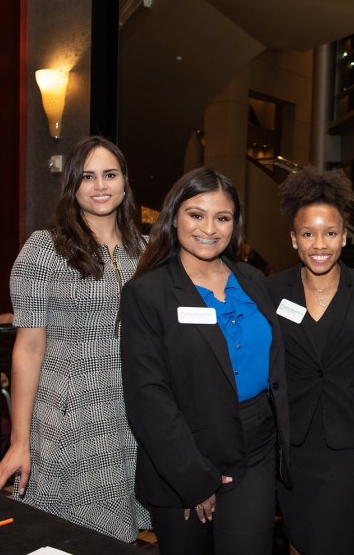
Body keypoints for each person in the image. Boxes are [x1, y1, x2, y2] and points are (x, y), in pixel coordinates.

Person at [0, 136, 150, 541]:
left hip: (130, 406)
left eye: (110, 174)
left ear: (125, 183)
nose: (100, 185)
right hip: (71, 409)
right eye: (87, 176)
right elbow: (29, 347)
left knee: (118, 534)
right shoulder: (45, 249)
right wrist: (20, 440)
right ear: (72, 184)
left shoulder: (144, 250)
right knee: (65, 532)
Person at [119, 167, 291, 555]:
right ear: (174, 217)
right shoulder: (148, 293)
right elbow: (149, 399)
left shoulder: (251, 278)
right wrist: (191, 479)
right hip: (186, 454)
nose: (209, 228)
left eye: (223, 217)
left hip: (257, 447)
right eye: (197, 214)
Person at [265, 167, 354, 555]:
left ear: (345, 237)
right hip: (292, 439)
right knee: (297, 533)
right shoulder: (272, 290)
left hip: (349, 438)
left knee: (337, 534)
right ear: (293, 239)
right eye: (308, 234)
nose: (320, 244)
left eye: (330, 233)